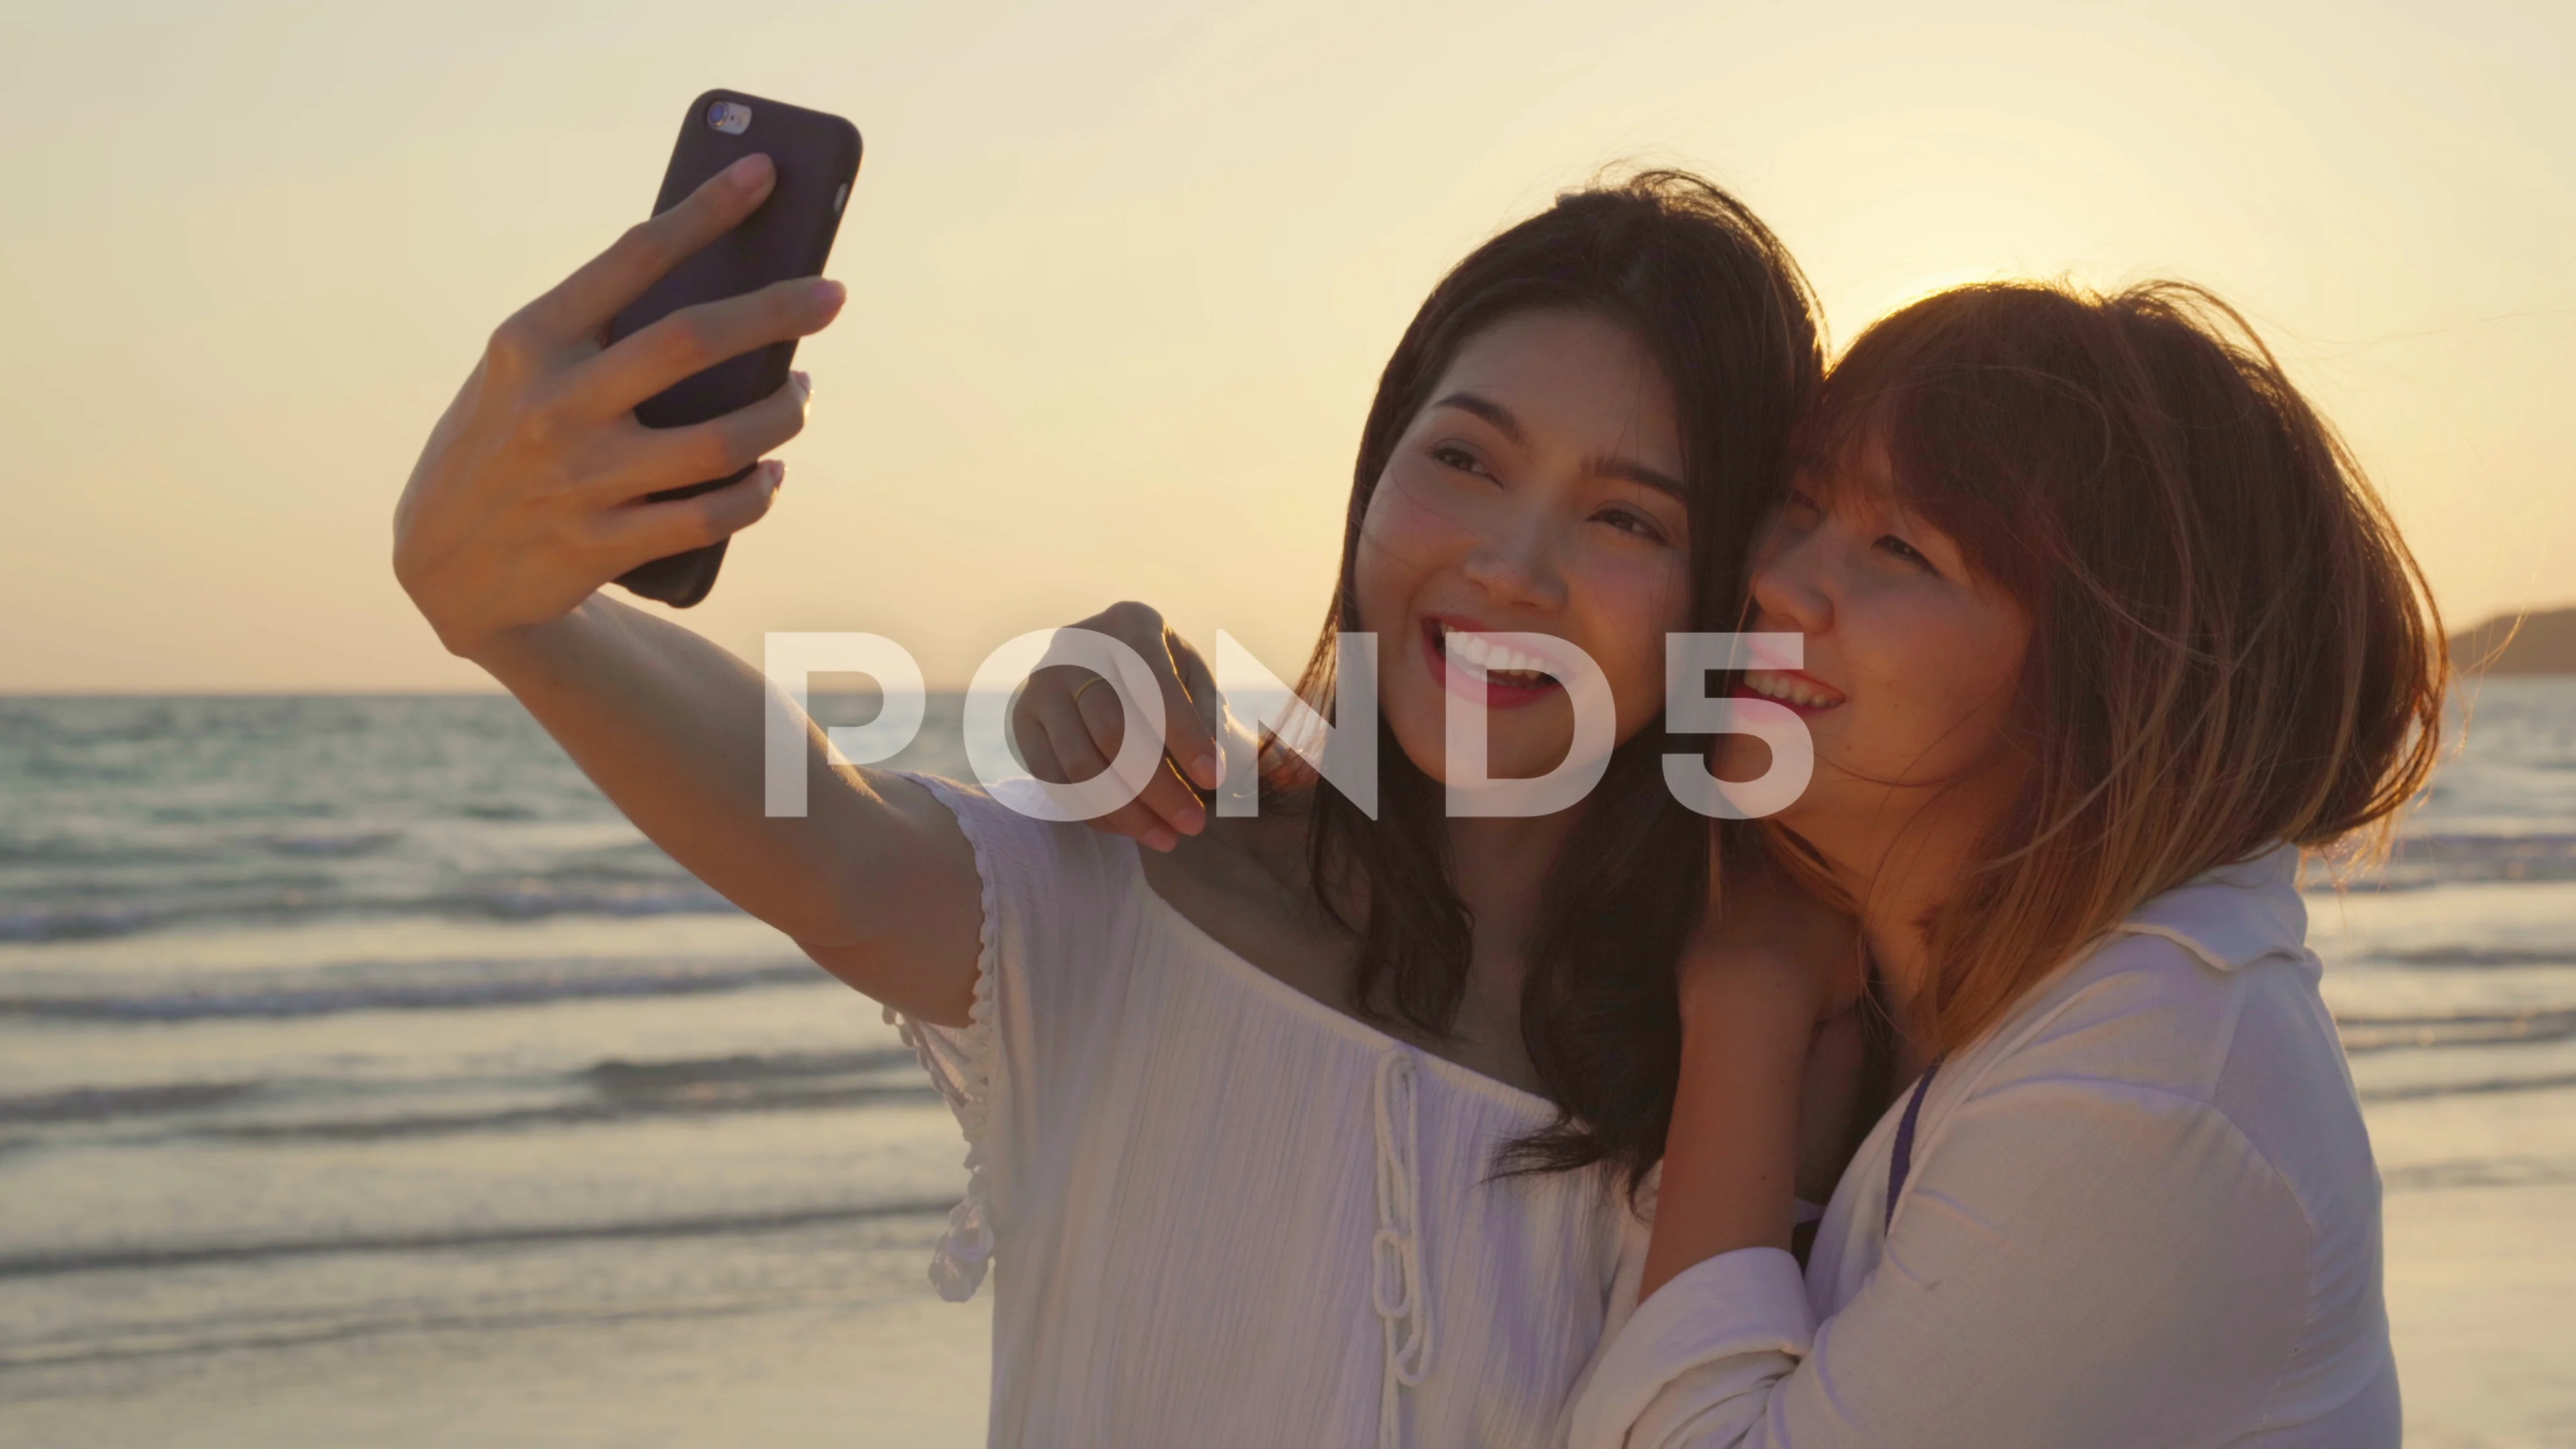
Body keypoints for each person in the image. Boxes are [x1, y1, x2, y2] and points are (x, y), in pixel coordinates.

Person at [392, 159, 1843, 1446]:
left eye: (1628, 518)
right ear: (1372, 480)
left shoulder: (1740, 1050)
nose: (1514, 567)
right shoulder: (1145, 877)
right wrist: (516, 619)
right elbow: (822, 832)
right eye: (1463, 458)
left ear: (1724, 598)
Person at [1562, 280, 2445, 1446]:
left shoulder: (2154, 1082)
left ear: (2109, 676)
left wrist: (1746, 1005)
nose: (1776, 580)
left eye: (1899, 547)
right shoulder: (1962, 1015)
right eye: (1803, 503)